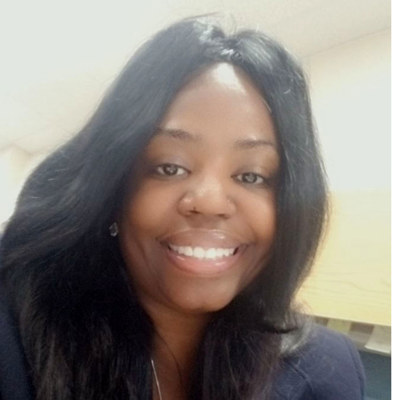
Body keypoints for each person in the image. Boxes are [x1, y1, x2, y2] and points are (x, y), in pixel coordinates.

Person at [0, 17, 365, 400]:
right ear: (113, 191)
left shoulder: (328, 370)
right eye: (169, 167)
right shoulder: (16, 339)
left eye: (252, 176)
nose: (209, 202)